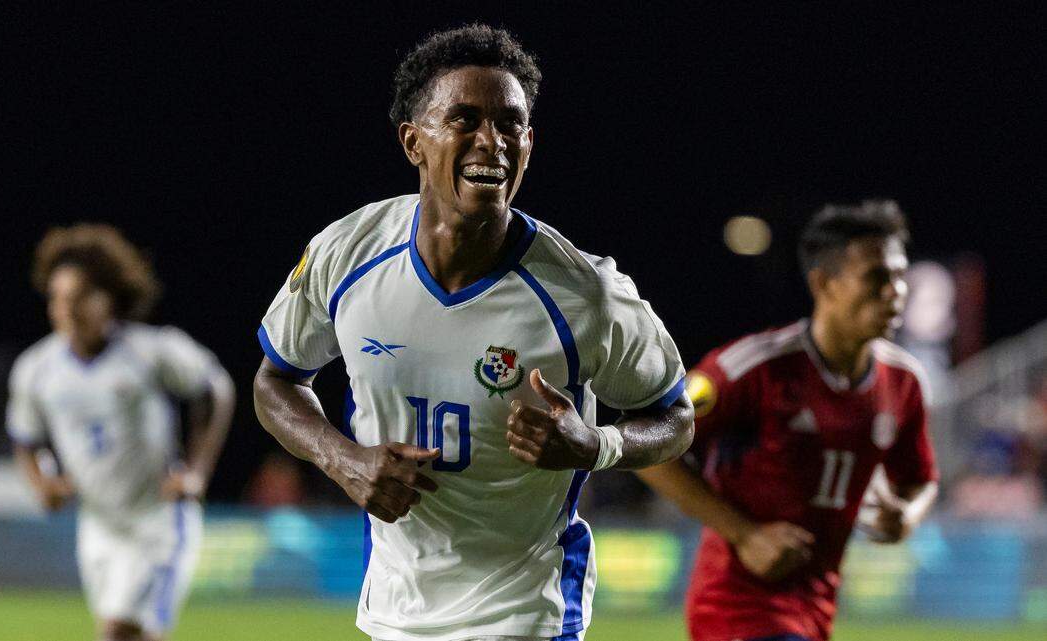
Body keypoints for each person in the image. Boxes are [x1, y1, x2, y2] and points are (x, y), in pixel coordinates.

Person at [253, 24, 694, 641]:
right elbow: (275, 381)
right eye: (464, 119)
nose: (492, 141)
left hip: (526, 608)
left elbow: (675, 417)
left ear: (529, 143)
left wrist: (596, 445)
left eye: (511, 124)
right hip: (394, 608)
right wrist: (343, 459)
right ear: (413, 141)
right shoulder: (347, 253)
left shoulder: (586, 293)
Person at [637, 200, 939, 641]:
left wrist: (907, 514)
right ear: (824, 283)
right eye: (877, 278)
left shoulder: (904, 382)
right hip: (736, 606)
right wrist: (746, 536)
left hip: (816, 606)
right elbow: (649, 449)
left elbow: (921, 480)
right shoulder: (752, 369)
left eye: (899, 276)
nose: (895, 292)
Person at [7, 224, 235, 641]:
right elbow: (25, 438)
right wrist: (42, 483)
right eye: (57, 298)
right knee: (135, 634)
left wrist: (197, 471)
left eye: (79, 298)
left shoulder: (150, 350)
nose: (66, 310)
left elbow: (215, 389)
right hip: (97, 524)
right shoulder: (36, 369)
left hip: (159, 519)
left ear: (108, 299)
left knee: (118, 632)